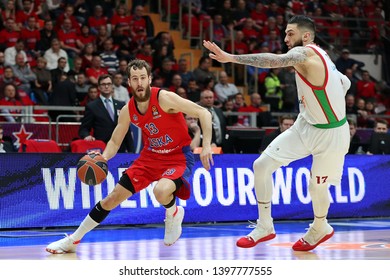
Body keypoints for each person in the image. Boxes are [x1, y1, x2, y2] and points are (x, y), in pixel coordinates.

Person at [203, 15, 351, 251]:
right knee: (261, 166)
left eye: (290, 33)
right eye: (285, 33)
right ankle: (265, 225)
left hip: (331, 135)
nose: (285, 38)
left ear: (306, 36)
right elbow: (345, 83)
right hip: (306, 125)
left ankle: (320, 226)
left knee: (317, 187)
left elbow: (272, 60)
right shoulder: (324, 56)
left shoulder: (305, 54)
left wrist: (230, 58)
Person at [46, 59, 213, 254]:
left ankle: (173, 212)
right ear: (129, 83)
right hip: (149, 158)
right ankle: (73, 240)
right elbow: (115, 142)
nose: (140, 83)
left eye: (143, 78)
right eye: (135, 79)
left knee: (161, 191)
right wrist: (103, 158)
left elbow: (203, 112)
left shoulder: (164, 98)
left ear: (149, 79)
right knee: (112, 198)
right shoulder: (128, 110)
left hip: (178, 156)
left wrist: (207, 144)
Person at [78, 74, 133, 153]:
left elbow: (126, 130)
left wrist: (132, 153)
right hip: (102, 150)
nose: (106, 86)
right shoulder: (92, 106)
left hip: (120, 150)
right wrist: (87, 136)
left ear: (112, 86)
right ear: (99, 87)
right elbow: (84, 128)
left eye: (109, 84)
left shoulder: (121, 105)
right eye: (103, 84)